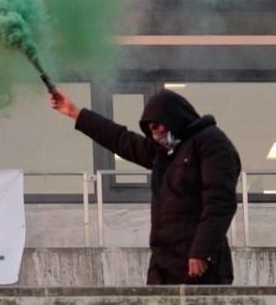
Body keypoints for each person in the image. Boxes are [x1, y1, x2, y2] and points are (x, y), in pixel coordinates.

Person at [51, 88, 241, 285]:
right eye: (150, 128)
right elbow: (121, 139)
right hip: (163, 266)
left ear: (173, 117)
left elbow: (220, 201)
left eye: (158, 125)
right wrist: (74, 112)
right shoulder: (165, 153)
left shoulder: (211, 142)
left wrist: (203, 251)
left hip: (200, 268)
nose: (155, 132)